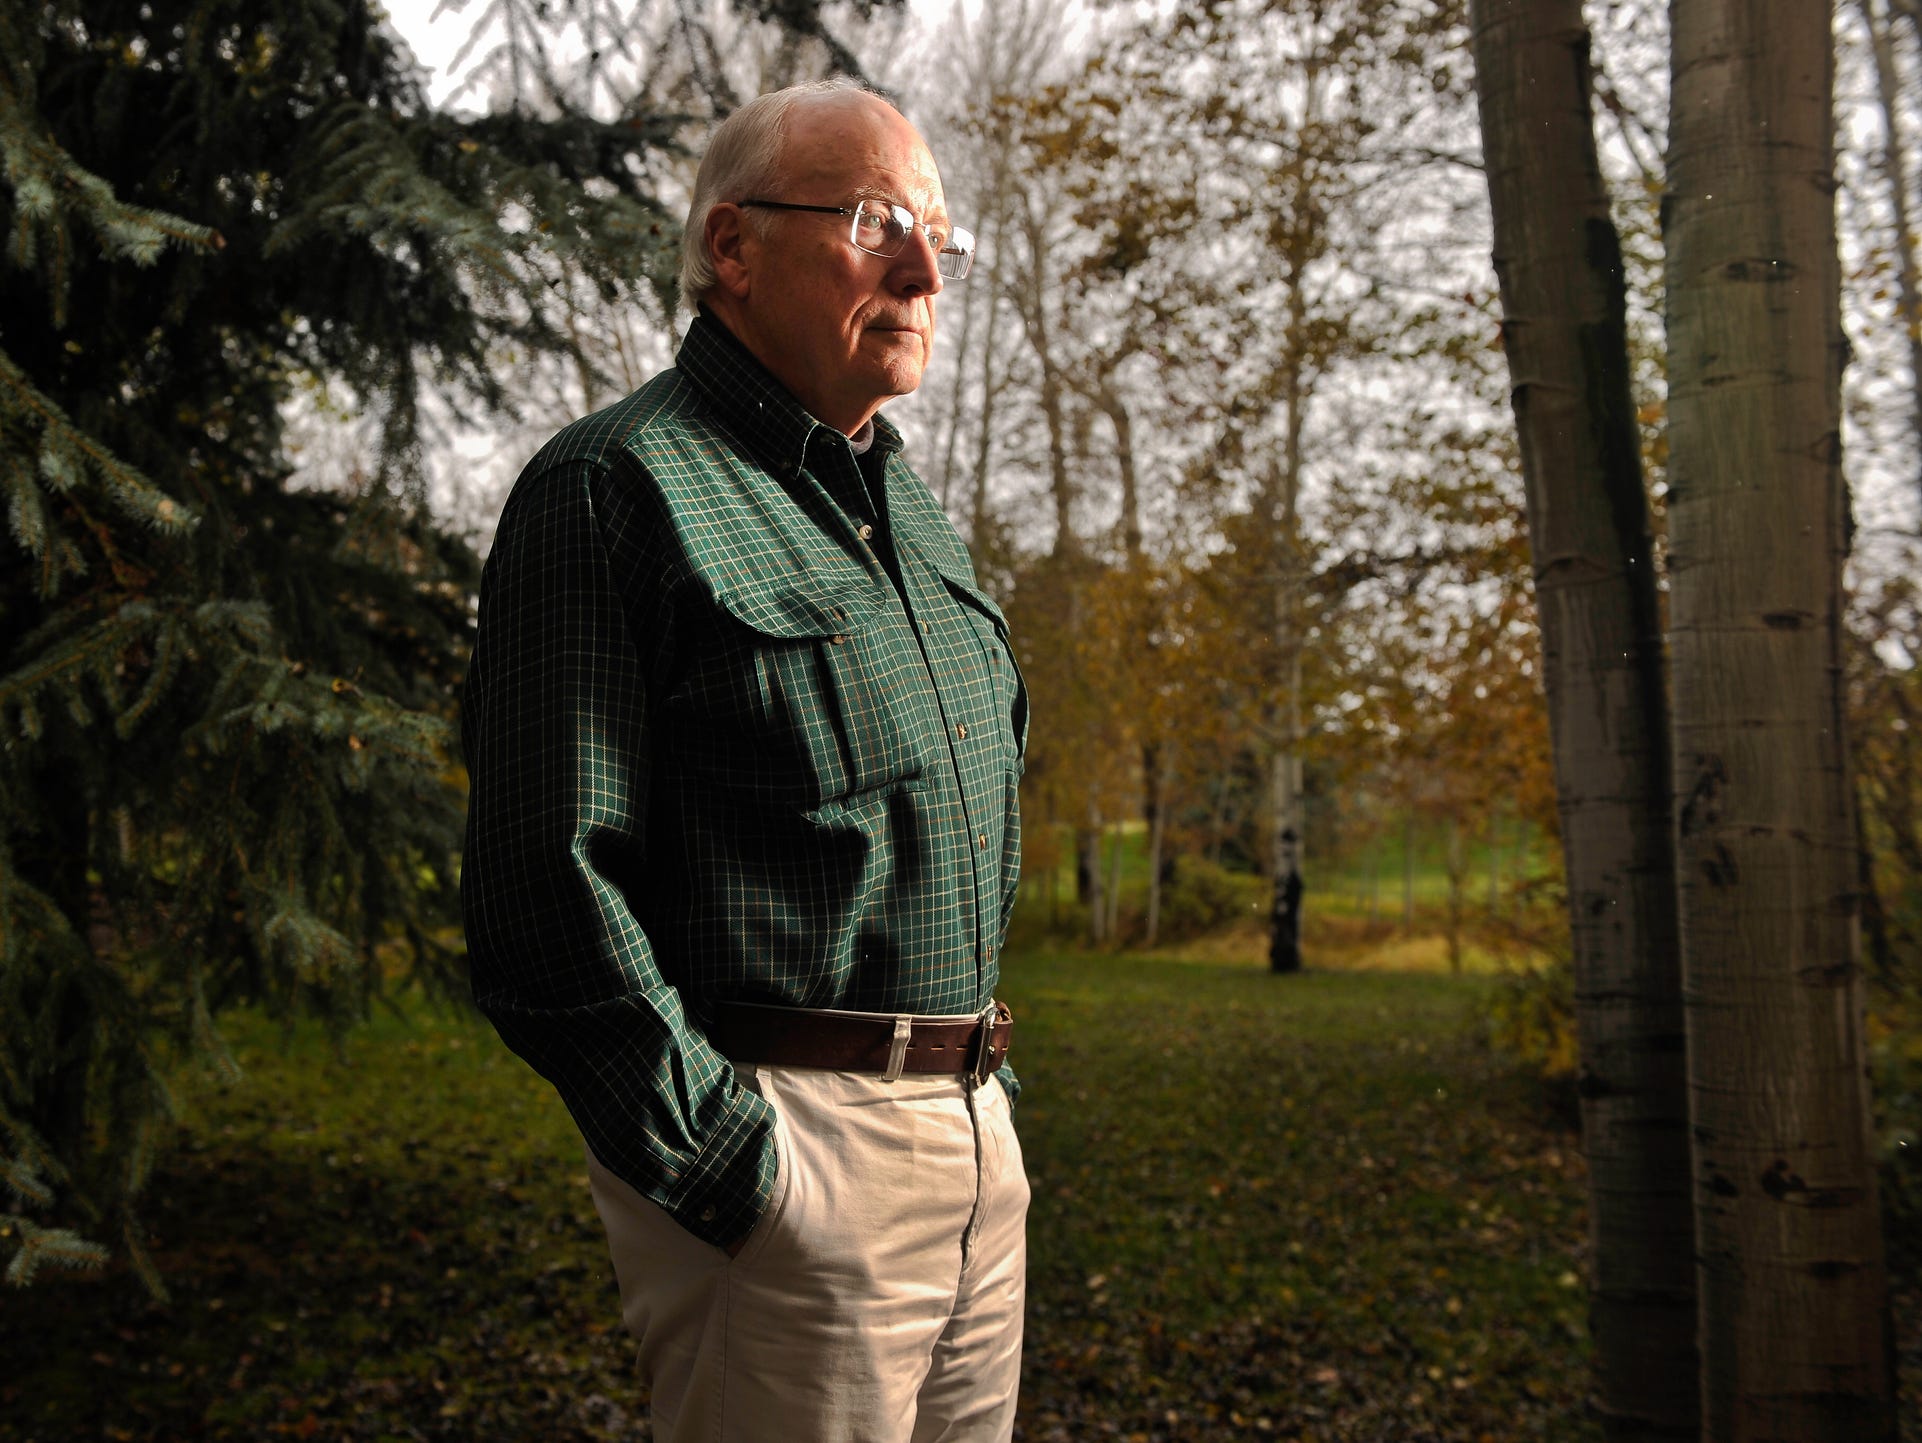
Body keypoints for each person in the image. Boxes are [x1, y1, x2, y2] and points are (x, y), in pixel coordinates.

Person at [458, 78, 1030, 1443]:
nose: (920, 270)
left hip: (972, 1149)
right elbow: (548, 885)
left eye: (940, 240)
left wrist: (978, 1116)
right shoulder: (614, 486)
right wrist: (731, 1173)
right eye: (876, 221)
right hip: (791, 1164)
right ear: (733, 249)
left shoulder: (909, 507)